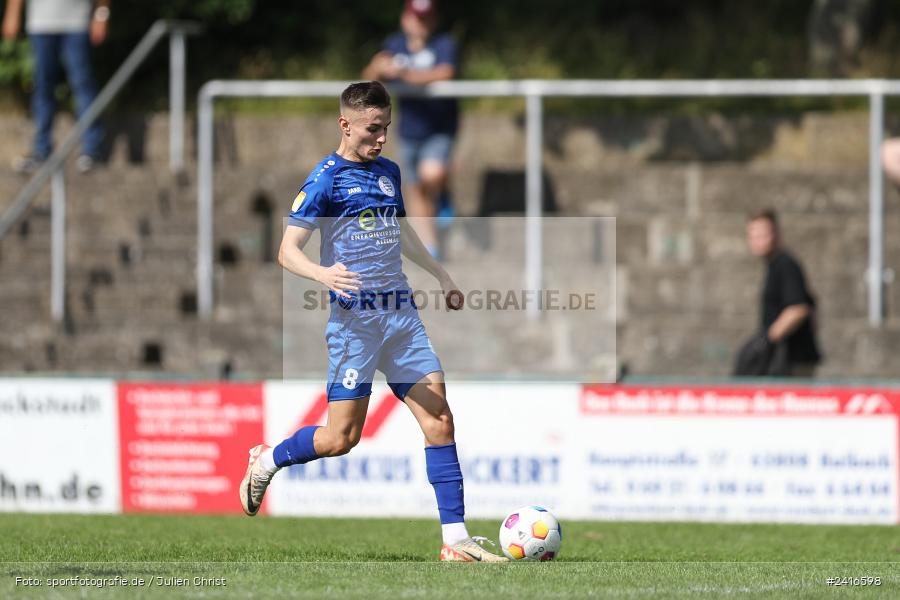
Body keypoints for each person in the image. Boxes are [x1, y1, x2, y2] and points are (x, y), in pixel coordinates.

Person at [239, 81, 506, 563]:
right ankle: (268, 460)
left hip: (401, 317)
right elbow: (285, 252)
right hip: (354, 326)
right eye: (372, 129)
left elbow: (400, 235)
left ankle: (455, 541)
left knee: (440, 418)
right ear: (346, 125)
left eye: (386, 128)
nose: (381, 138)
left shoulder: (389, 172)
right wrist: (322, 273)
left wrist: (442, 275)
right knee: (340, 439)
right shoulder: (324, 179)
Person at [362, 0, 459, 259]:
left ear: (434, 20)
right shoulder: (394, 45)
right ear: (406, 19)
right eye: (416, 17)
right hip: (409, 129)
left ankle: (444, 193)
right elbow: (369, 80)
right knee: (415, 187)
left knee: (432, 174)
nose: (420, 23)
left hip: (439, 126)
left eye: (426, 18)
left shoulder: (444, 44)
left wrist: (404, 74)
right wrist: (378, 67)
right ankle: (430, 247)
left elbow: (445, 73)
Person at [2, 0, 109, 174]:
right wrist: (12, 14)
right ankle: (41, 148)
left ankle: (91, 149)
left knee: (83, 84)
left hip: (77, 22)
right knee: (43, 87)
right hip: (40, 23)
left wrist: (101, 14)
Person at [738, 209, 821, 377]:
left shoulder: (785, 264)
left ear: (776, 234)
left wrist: (767, 340)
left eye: (763, 235)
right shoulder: (773, 265)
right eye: (753, 236)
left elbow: (798, 309)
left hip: (792, 360)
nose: (758, 241)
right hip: (784, 359)